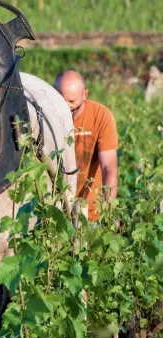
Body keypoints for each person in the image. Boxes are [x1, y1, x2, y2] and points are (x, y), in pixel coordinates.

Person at [54, 70, 119, 223]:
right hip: (54, 213)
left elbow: (109, 168)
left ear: (85, 94)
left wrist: (107, 212)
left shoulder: (101, 116)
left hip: (91, 213)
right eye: (61, 99)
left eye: (71, 102)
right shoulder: (46, 116)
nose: (66, 107)